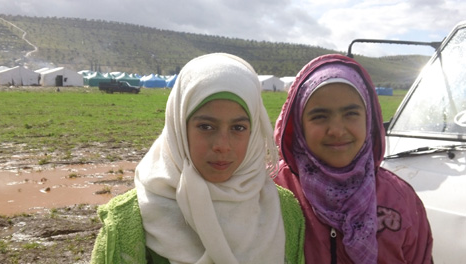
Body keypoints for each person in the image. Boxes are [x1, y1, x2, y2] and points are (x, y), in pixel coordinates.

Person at [90, 53, 305, 264]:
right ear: (179, 129)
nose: (222, 145)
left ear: (254, 130)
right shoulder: (130, 221)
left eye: (238, 128)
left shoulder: (284, 211)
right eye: (206, 126)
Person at [273, 54, 433, 264]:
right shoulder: (273, 193)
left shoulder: (400, 198)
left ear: (369, 120)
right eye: (320, 116)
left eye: (351, 114)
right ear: (299, 125)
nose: (337, 131)